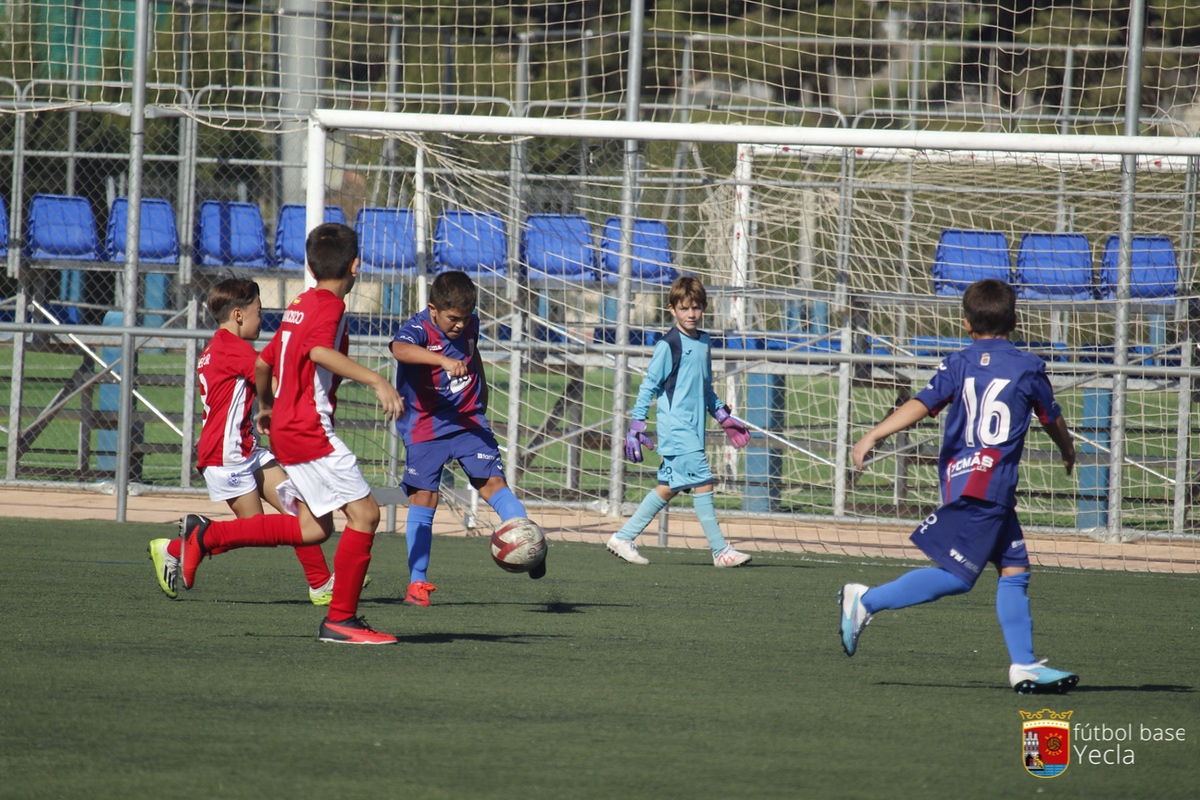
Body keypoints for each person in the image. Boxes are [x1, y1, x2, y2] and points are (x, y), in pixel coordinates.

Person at [839, 278, 1079, 695]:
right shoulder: (1029, 367)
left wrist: (873, 435)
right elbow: (1050, 416)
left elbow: (921, 403)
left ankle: (1024, 665)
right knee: (958, 576)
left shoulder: (958, 363)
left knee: (1015, 570)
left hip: (966, 481)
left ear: (966, 324)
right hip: (988, 488)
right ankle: (865, 601)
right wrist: (1067, 449)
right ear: (1016, 321)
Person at [172, 223, 404, 644]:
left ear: (312, 267)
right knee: (366, 515)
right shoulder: (329, 307)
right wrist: (376, 380)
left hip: (286, 427)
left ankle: (206, 536)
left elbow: (265, 363)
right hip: (307, 427)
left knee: (313, 529)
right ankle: (341, 621)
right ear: (356, 266)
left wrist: (264, 407)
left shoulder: (300, 303)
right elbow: (317, 351)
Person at [147, 278, 338, 605]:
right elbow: (277, 384)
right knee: (256, 530)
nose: (262, 318)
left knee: (297, 508)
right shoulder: (234, 349)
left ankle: (321, 584)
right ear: (238, 314)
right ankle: (175, 547)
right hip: (226, 457)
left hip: (245, 450)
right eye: (258, 311)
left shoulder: (218, 347)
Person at [390, 270, 545, 606]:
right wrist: (441, 359)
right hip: (426, 425)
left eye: (465, 317)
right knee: (424, 499)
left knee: (493, 484)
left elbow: (473, 355)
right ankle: (417, 582)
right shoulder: (419, 327)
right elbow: (399, 349)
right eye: (452, 318)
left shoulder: (471, 325)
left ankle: (530, 542)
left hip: (467, 419)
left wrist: (484, 389)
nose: (459, 325)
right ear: (433, 309)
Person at [605, 275, 754, 568]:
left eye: (696, 308)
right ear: (672, 309)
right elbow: (649, 386)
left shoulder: (705, 342)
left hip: (694, 430)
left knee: (667, 488)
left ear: (703, 309)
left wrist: (722, 416)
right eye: (684, 308)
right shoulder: (668, 345)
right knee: (704, 482)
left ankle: (623, 538)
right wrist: (636, 425)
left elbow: (705, 388)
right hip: (677, 430)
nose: (691, 314)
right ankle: (720, 551)